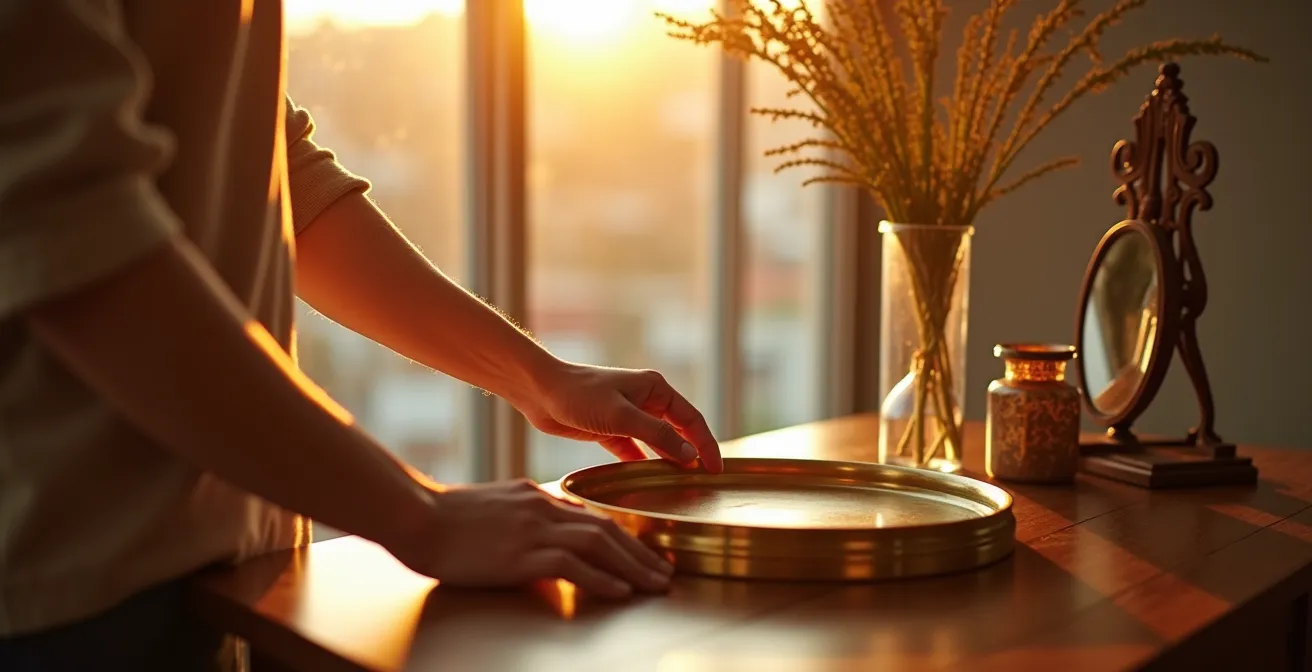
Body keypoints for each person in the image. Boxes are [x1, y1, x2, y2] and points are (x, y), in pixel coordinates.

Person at [0, 1, 724, 669]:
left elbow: (267, 163)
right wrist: (417, 516)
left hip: (231, 569)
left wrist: (538, 378)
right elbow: (68, 230)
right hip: (69, 597)